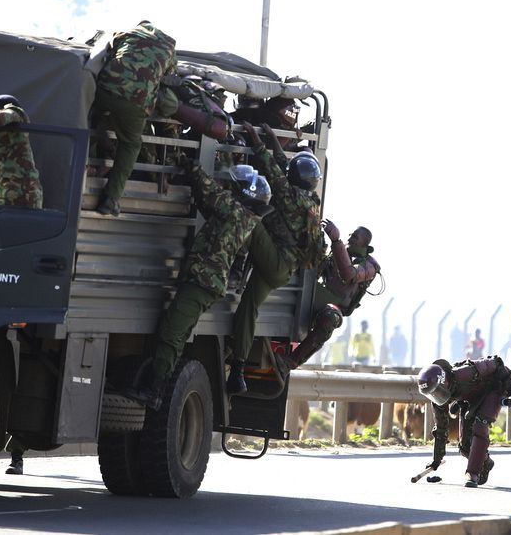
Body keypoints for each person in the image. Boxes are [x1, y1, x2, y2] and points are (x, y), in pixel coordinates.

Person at [126, 161, 271, 408]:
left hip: (202, 282)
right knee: (177, 333)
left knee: (172, 332)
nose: (231, 189)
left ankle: (155, 390)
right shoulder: (242, 217)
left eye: (236, 187)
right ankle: (156, 388)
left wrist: (191, 165)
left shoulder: (236, 212)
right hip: (205, 283)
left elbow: (209, 191)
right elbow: (209, 203)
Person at [224, 122, 324, 394]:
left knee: (251, 218)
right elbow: (285, 168)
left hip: (275, 259)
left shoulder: (289, 196)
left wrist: (258, 139)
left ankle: (234, 266)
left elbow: (274, 170)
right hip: (284, 268)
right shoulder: (311, 202)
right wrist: (274, 141)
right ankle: (238, 371)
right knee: (248, 307)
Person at [92, 20, 177, 216]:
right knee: (130, 145)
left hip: (104, 89)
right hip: (136, 101)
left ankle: (84, 168)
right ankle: (111, 198)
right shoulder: (170, 46)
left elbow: (108, 53)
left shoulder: (125, 33)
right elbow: (169, 75)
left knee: (92, 123)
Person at [275, 223, 380, 372]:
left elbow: (349, 275)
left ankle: (292, 361)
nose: (350, 238)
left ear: (365, 243)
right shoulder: (339, 251)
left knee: (330, 317)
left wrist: (336, 241)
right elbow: (315, 271)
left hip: (332, 307)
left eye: (355, 237)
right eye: (350, 234)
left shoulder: (370, 265)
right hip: (314, 297)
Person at [417, 356, 511, 487]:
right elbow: (441, 429)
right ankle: (486, 462)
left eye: (436, 392)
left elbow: (496, 363)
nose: (435, 396)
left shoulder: (466, 372)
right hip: (470, 399)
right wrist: (436, 460)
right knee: (465, 448)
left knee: (480, 424)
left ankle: (472, 474)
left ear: (444, 382)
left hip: (493, 390)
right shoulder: (438, 400)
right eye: (431, 394)